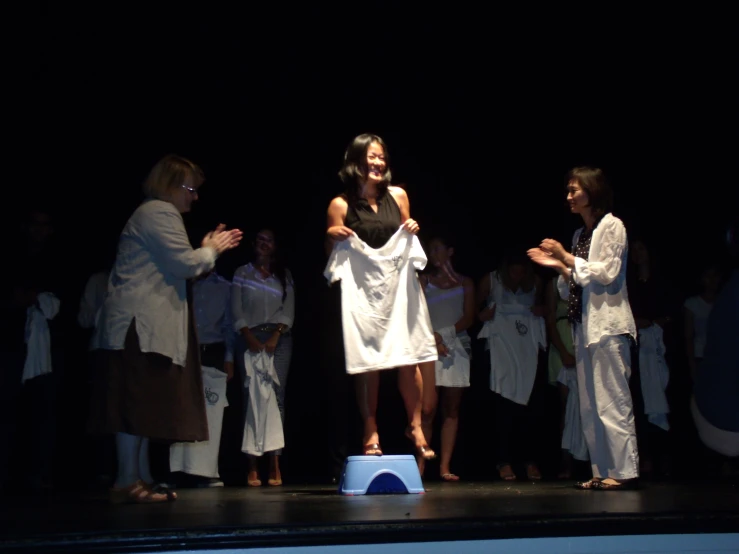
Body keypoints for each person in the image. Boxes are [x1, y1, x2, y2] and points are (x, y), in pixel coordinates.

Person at [88, 154, 242, 503]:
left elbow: (178, 267)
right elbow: (184, 263)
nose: (195, 196)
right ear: (170, 186)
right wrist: (210, 250)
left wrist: (203, 253)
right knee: (133, 403)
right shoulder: (158, 212)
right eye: (190, 189)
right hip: (137, 327)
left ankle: (138, 476)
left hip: (140, 327)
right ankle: (126, 480)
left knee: (140, 404)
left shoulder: (154, 213)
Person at [325, 133, 437, 463]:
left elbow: (406, 238)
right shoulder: (341, 205)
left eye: (381, 157)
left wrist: (412, 227)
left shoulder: (399, 196)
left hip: (398, 289)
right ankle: (370, 429)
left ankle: (414, 426)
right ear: (355, 161)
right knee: (369, 361)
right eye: (371, 156)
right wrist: (332, 235)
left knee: (409, 354)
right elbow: (331, 255)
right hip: (364, 295)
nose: (378, 162)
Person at [528, 166, 639, 490]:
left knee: (613, 401)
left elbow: (606, 273)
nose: (569, 196)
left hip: (609, 326)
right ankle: (601, 470)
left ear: (592, 191)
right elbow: (574, 285)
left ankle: (623, 471)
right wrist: (561, 267)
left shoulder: (613, 226)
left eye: (575, 190)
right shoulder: (580, 236)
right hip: (584, 328)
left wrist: (566, 258)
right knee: (590, 405)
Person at [233, 228, 294, 487]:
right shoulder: (242, 273)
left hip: (278, 340)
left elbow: (289, 308)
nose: (263, 243)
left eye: (268, 239)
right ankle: (252, 464)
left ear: (275, 246)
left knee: (276, 398)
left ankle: (275, 463)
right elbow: (236, 308)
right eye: (259, 239)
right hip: (249, 338)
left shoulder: (284, 274)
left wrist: (275, 336)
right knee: (251, 397)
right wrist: (250, 338)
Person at [169, 267, 235, 488]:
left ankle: (207, 471)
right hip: (185, 351)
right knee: (181, 410)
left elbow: (228, 325)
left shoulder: (225, 287)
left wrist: (229, 357)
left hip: (213, 351)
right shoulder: (184, 283)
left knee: (212, 413)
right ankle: (179, 470)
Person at [420, 236, 475, 481]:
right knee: (426, 410)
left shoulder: (465, 282)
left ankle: (445, 466)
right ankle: (420, 467)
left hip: (456, 348)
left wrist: (443, 337)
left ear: (450, 251)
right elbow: (417, 314)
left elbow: (468, 317)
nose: (433, 253)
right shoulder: (424, 281)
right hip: (428, 347)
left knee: (451, 409)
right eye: (430, 249)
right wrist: (433, 339)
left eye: (437, 248)